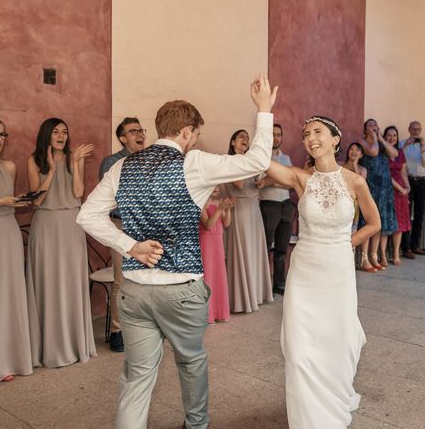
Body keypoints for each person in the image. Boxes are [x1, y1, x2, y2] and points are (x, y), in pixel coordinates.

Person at [76, 75, 276, 429]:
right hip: (181, 288)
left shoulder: (123, 166)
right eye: (195, 134)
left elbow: (88, 215)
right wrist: (263, 110)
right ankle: (196, 424)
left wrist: (130, 246)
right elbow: (258, 161)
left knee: (136, 377)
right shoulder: (195, 163)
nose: (195, 140)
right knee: (191, 362)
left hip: (136, 290)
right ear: (186, 132)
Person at [264, 115, 380, 429]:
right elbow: (261, 161)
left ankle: (332, 401)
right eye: (305, 135)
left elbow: (375, 222)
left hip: (338, 270)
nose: (310, 138)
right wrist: (264, 111)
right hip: (304, 270)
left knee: (336, 344)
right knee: (299, 350)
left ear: (335, 139)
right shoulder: (300, 178)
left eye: (317, 132)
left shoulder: (355, 181)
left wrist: (348, 243)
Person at [26, 118, 97, 368]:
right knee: (48, 283)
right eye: (56, 131)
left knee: (70, 283)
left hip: (70, 225)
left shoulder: (72, 157)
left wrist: (76, 163)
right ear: (47, 134)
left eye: (65, 132)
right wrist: (53, 171)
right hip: (45, 226)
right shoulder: (34, 161)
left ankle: (74, 345)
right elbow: (36, 200)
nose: (61, 136)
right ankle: (49, 348)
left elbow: (78, 193)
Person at [98, 116, 146, 352]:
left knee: (145, 278)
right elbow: (112, 197)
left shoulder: (150, 159)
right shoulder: (111, 162)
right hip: (121, 226)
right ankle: (117, 331)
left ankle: (143, 327)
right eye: (133, 131)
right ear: (122, 138)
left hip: (145, 226)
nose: (140, 134)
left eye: (141, 130)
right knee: (121, 280)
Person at [0, 119, 33, 383]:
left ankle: (8, 360)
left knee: (8, 293)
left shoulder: (8, 167)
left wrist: (17, 199)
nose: (0, 140)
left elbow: (7, 199)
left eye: (2, 135)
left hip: (8, 230)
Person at [224, 129, 274, 312]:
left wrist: (263, 182)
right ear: (233, 142)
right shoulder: (232, 160)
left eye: (247, 137)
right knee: (243, 251)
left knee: (254, 251)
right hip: (240, 209)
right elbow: (237, 184)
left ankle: (256, 294)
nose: (246, 139)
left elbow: (263, 180)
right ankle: (241, 299)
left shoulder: (249, 162)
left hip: (254, 207)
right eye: (241, 137)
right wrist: (246, 161)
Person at [255, 123, 295, 296]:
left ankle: (279, 284)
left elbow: (291, 182)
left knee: (281, 248)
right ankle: (261, 285)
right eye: (273, 134)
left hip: (286, 205)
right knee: (265, 247)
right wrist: (281, 179)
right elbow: (258, 182)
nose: (276, 138)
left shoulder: (286, 159)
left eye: (279, 134)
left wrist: (271, 179)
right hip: (269, 205)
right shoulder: (261, 158)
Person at [359, 118, 398, 271]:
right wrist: (375, 139)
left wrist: (381, 138)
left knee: (378, 223)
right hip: (370, 188)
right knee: (367, 222)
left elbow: (394, 153)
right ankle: (364, 258)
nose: (373, 127)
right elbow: (373, 152)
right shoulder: (362, 143)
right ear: (365, 129)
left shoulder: (381, 143)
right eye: (370, 125)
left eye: (375, 124)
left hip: (384, 189)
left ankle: (374, 256)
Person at [199, 186, 234, 323]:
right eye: (214, 185)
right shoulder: (201, 202)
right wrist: (220, 209)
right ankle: (208, 314)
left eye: (218, 185)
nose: (216, 188)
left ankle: (220, 312)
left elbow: (226, 222)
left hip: (218, 242)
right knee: (209, 276)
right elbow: (208, 225)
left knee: (219, 275)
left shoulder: (218, 203)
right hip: (207, 243)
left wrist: (227, 208)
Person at [399, 121, 425, 258]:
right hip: (408, 180)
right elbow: (398, 158)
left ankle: (415, 245)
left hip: (421, 181)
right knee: (406, 214)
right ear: (409, 129)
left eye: (418, 129)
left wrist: (422, 148)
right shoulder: (402, 144)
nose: (416, 131)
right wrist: (406, 146)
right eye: (414, 129)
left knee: (419, 214)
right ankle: (405, 248)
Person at [384, 126, 410, 265]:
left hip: (401, 191)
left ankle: (395, 254)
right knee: (389, 221)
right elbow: (387, 174)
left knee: (399, 223)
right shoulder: (382, 153)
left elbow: (403, 171)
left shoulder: (400, 152)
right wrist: (400, 187)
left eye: (394, 135)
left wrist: (407, 187)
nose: (392, 138)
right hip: (389, 189)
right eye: (389, 135)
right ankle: (383, 254)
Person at [341, 142, 367, 233]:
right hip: (339, 202)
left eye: (357, 150)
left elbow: (360, 185)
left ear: (361, 155)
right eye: (352, 149)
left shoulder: (362, 170)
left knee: (351, 232)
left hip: (353, 205)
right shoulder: (340, 165)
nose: (354, 151)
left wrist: (355, 164)